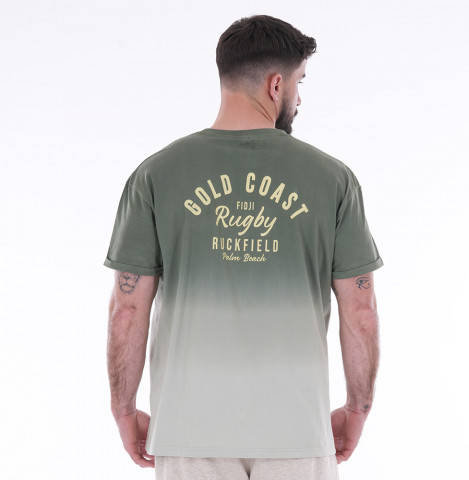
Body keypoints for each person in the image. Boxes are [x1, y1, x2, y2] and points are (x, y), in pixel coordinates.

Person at [104, 14, 383, 480]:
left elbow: (126, 311)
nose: (299, 98)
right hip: (298, 430)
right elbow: (362, 311)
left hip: (189, 430)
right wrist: (358, 408)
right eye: (299, 82)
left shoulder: (155, 176)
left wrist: (123, 408)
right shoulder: (334, 180)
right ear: (276, 85)